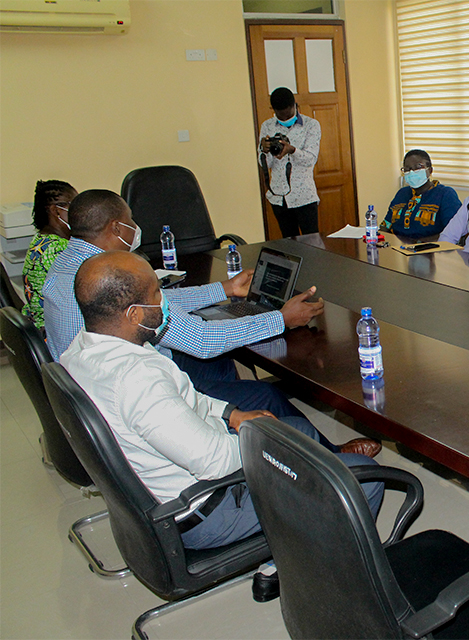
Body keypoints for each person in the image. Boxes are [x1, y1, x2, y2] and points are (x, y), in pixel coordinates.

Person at [60, 251, 383, 562]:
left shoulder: (80, 351)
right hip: (209, 509)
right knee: (361, 478)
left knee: (294, 429)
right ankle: (327, 574)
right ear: (133, 314)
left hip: (181, 484)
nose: (165, 301)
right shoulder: (137, 378)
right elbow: (214, 462)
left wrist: (232, 414)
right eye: (157, 293)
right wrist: (268, 444)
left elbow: (186, 400)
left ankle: (309, 522)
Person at [258, 87, 322, 238]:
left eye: (288, 115)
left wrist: (292, 150)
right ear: (274, 110)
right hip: (279, 198)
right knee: (290, 247)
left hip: (304, 197)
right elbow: (265, 165)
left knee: (312, 245)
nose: (285, 119)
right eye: (281, 117)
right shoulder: (267, 126)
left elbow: (311, 159)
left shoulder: (311, 125)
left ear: (295, 106)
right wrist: (263, 150)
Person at [22, 180, 76, 330]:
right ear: (57, 211)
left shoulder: (41, 240)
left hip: (39, 323)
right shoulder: (59, 249)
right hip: (54, 332)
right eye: (74, 205)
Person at [381, 149, 462, 241]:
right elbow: (385, 226)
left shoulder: (445, 194)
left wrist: (418, 244)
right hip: (398, 250)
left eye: (418, 167)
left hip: (430, 251)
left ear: (430, 170)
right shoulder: (402, 193)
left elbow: (453, 232)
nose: (411, 172)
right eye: (407, 169)